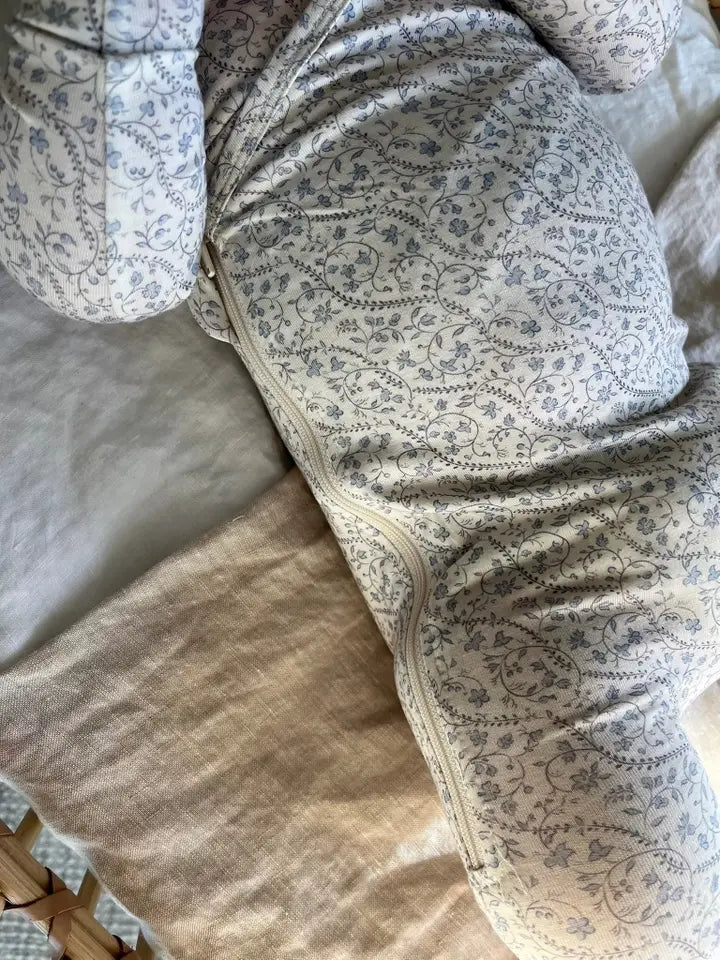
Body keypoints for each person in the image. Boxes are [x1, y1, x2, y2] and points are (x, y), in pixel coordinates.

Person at [2, 0, 720, 957]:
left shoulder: (529, 626)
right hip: (463, 23)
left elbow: (621, 895)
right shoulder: (559, 640)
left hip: (250, 95)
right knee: (632, 43)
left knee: (113, 273)